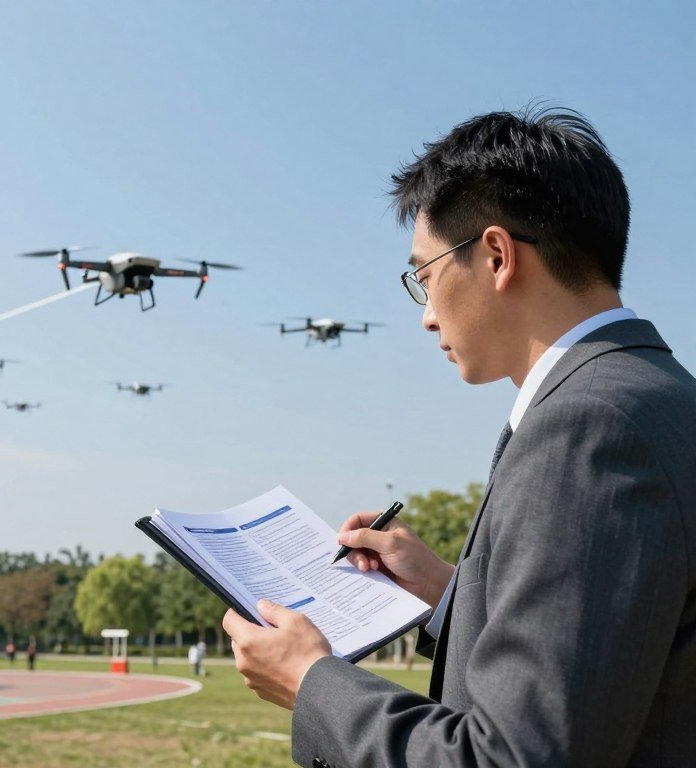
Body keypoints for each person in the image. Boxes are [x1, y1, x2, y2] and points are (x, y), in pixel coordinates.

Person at [222, 106, 696, 767]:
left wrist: (311, 682)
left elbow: (514, 756)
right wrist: (451, 594)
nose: (425, 316)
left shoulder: (587, 427)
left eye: (424, 274)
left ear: (497, 255)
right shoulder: (654, 396)